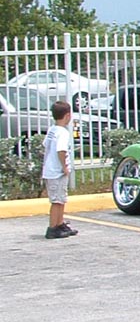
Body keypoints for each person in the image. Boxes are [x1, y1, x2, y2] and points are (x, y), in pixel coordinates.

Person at [42, 100, 77, 239]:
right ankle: (52, 227)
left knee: (61, 199)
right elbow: (61, 150)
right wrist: (65, 167)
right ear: (67, 115)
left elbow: (46, 144)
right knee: (57, 201)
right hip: (57, 171)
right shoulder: (63, 132)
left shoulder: (52, 129)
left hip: (51, 170)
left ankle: (60, 223)